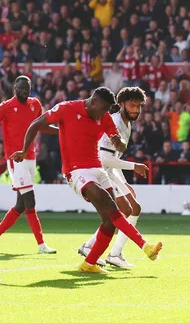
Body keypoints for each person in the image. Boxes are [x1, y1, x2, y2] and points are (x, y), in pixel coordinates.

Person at [10, 87, 163, 274]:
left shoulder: (105, 116)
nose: (106, 114)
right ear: (93, 102)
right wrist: (25, 150)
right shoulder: (66, 108)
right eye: (104, 109)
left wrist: (118, 142)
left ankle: (89, 263)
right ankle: (145, 246)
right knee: (112, 208)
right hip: (76, 171)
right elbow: (36, 124)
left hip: (98, 169)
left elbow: (119, 144)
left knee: (108, 221)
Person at [0, 76, 56, 254]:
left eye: (27, 88)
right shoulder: (6, 106)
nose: (24, 91)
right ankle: (41, 245)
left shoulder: (35, 104)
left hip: (31, 157)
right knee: (30, 201)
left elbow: (40, 126)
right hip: (16, 159)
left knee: (20, 206)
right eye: (21, 88)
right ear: (15, 87)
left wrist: (61, 132)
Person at [78, 87, 149, 268]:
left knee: (134, 208)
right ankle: (112, 253)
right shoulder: (115, 122)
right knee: (126, 209)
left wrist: (123, 182)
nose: (136, 110)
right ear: (122, 104)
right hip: (101, 170)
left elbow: (114, 159)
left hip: (111, 171)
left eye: (139, 106)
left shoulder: (126, 123)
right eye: (132, 105)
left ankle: (104, 250)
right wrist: (134, 166)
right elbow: (105, 158)